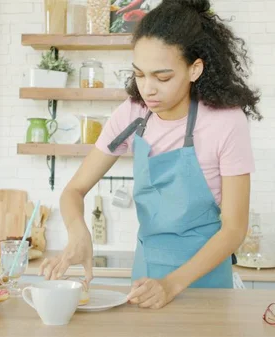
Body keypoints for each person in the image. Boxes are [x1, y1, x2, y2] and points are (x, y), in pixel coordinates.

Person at [39, 0, 262, 309]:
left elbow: (235, 228)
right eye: (139, 74)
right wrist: (78, 232)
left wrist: (172, 285)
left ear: (194, 68)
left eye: (163, 77)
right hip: (145, 282)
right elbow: (73, 191)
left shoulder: (225, 121)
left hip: (206, 285)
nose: (147, 89)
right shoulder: (132, 115)